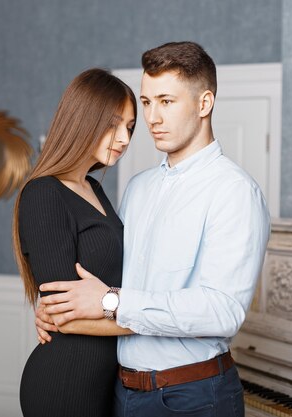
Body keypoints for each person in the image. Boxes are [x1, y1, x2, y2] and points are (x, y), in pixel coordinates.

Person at [36, 42, 271, 417]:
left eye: (166, 101)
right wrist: (57, 310)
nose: (152, 118)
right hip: (120, 390)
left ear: (204, 103)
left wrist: (111, 301)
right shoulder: (138, 188)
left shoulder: (234, 191)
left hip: (193, 395)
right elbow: (108, 279)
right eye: (146, 103)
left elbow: (222, 310)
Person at [12, 68, 137, 417]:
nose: (125, 138)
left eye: (129, 127)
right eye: (114, 124)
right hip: (63, 384)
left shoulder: (93, 189)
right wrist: (153, 323)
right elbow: (63, 317)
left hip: (106, 382)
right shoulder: (44, 194)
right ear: (83, 118)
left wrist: (116, 304)